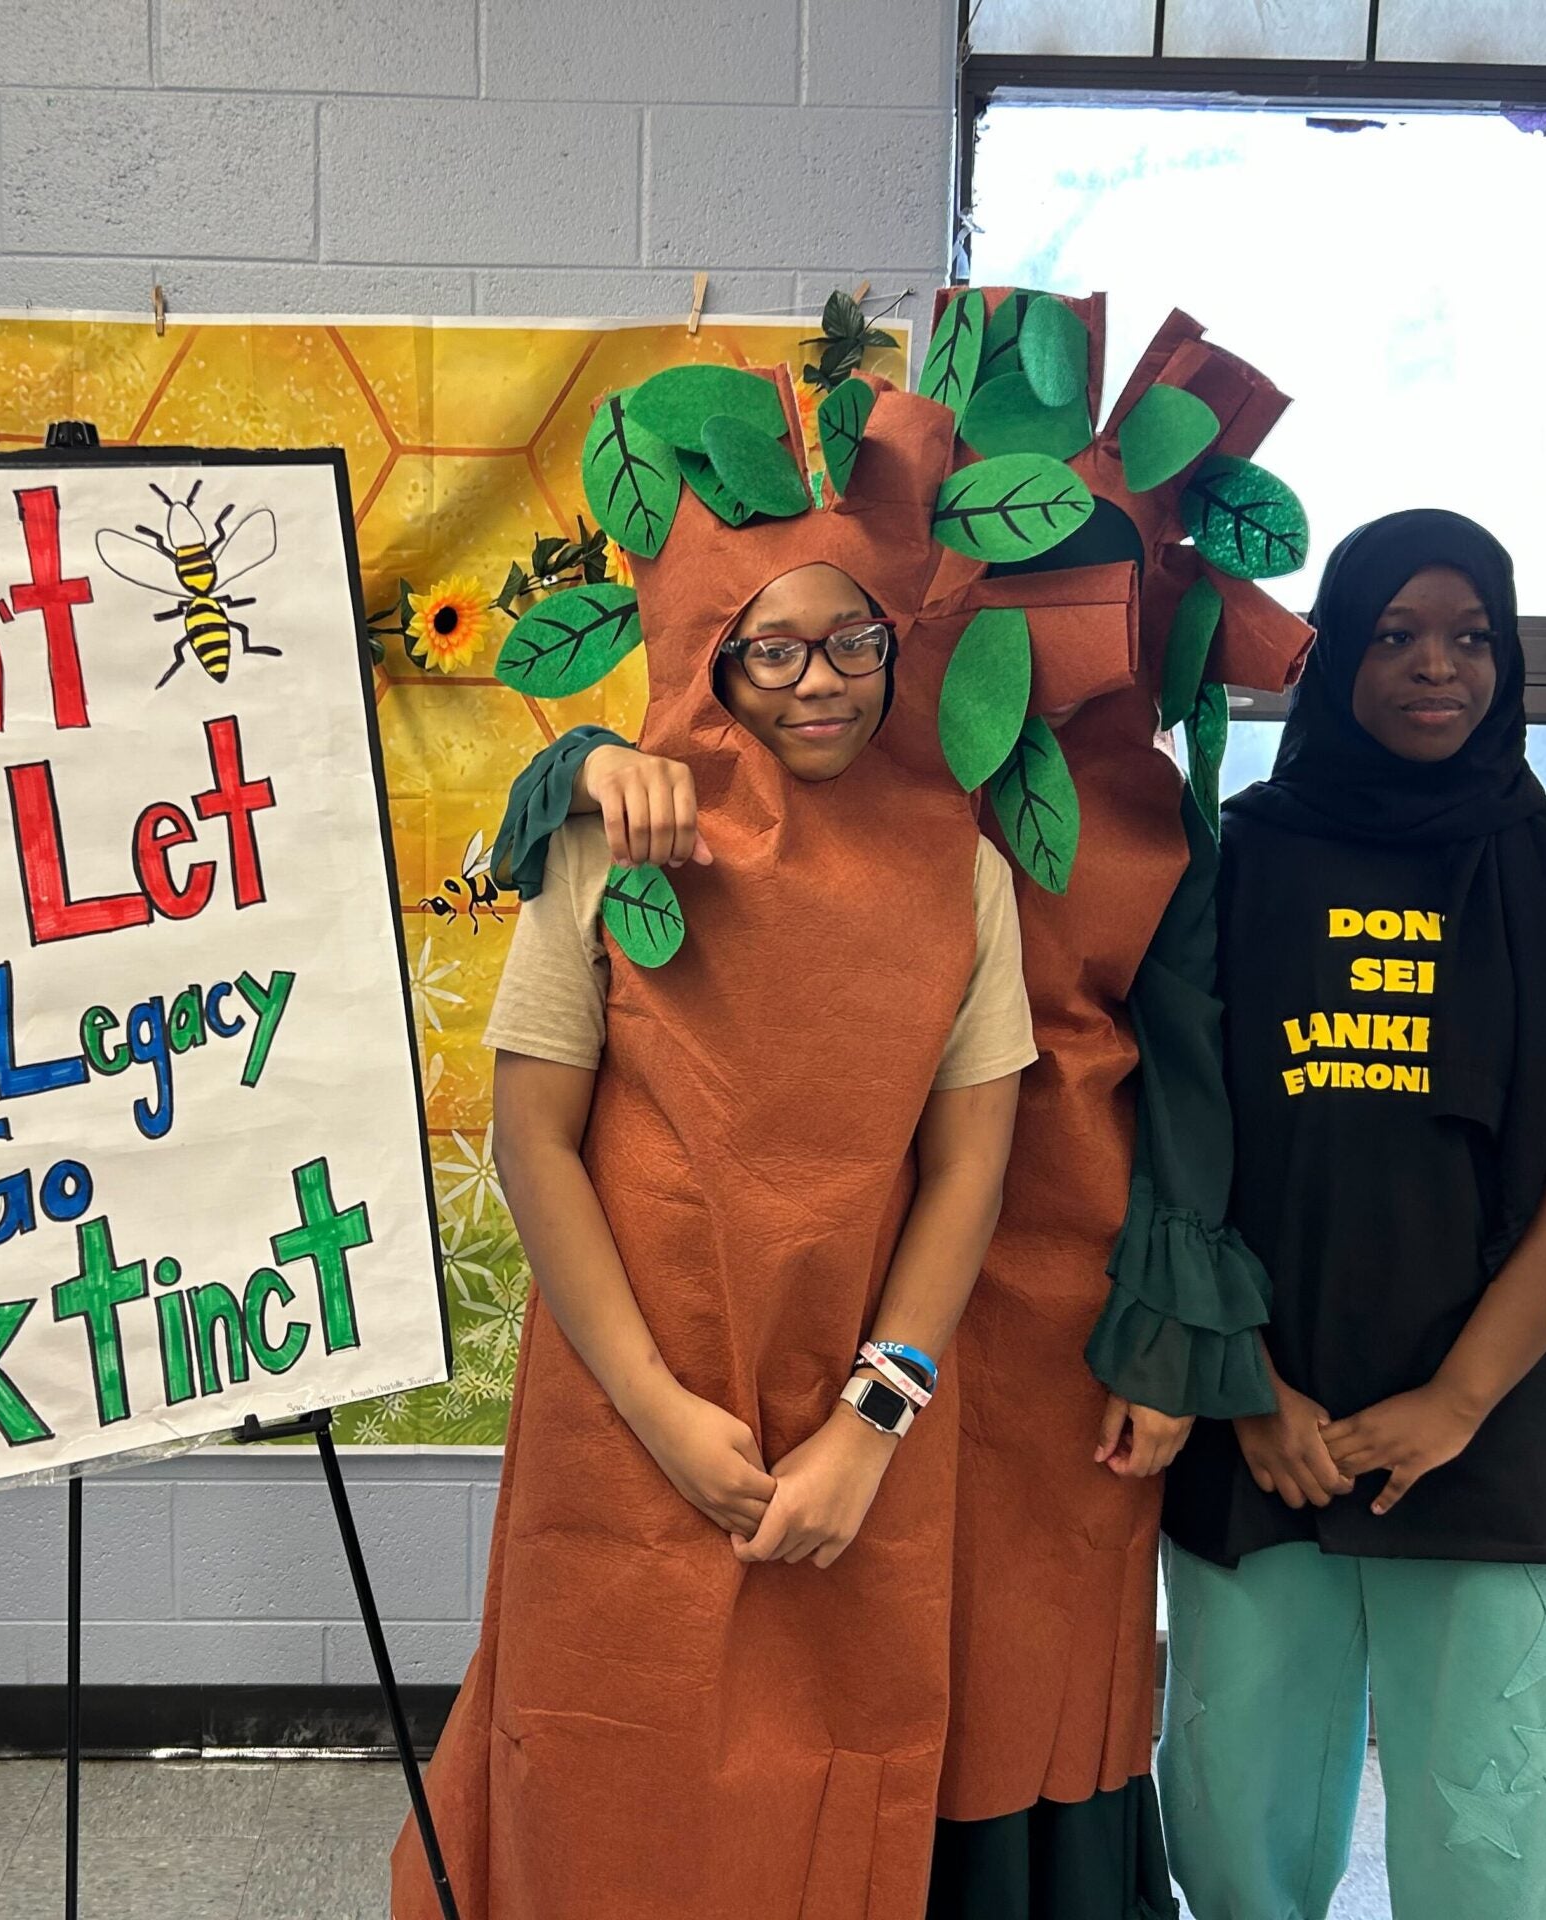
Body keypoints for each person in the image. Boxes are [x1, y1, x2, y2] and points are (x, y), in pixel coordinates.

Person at [394, 376, 1034, 1917]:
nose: (821, 683)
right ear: (714, 659)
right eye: (772, 649)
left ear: (897, 642)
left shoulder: (964, 873)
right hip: (632, 1393)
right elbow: (537, 1142)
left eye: (853, 641)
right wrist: (659, 1414)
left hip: (849, 1403)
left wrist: (872, 1425)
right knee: (600, 1761)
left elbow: (968, 1168)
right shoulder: (613, 845)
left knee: (823, 1775)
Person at [1157, 510, 1546, 1920]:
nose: (1434, 668)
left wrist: (1457, 1398)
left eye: (1468, 639)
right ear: (1337, 654)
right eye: (1394, 635)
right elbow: (1171, 1130)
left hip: (1493, 1414)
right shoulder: (1237, 861)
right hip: (1262, 1416)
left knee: (1501, 1838)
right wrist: (1248, 1383)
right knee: (1232, 1823)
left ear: (1509, 664)